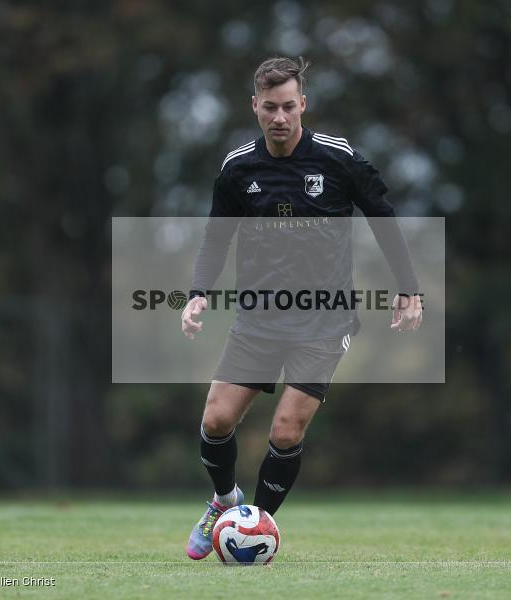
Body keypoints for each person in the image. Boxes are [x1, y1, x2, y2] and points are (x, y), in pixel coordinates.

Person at [181, 56, 423, 560]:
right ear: (254, 106)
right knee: (216, 421)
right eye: (269, 107)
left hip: (324, 319)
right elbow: (215, 237)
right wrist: (198, 292)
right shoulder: (238, 168)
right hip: (258, 319)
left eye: (289, 107)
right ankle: (225, 505)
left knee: (286, 429)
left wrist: (408, 287)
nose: (280, 118)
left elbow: (382, 215)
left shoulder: (339, 159)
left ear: (303, 105)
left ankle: (256, 530)